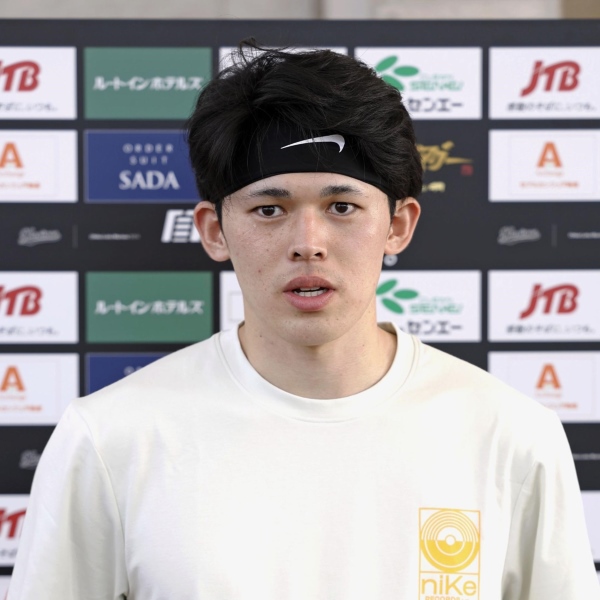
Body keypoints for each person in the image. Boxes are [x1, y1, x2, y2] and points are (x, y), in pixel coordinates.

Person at [9, 42, 599, 600]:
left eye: (342, 207)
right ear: (215, 231)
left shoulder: (512, 435)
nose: (308, 242)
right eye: (270, 209)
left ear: (397, 225)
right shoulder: (110, 438)